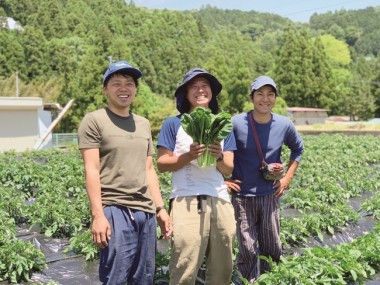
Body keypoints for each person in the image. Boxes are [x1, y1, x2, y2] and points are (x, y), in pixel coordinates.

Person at [77, 60, 172, 285]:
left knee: (144, 278)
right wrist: (98, 215)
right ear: (105, 90)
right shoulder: (94, 120)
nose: (124, 89)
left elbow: (149, 169)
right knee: (116, 277)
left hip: (145, 212)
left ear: (136, 90)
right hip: (115, 210)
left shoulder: (143, 124)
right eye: (116, 83)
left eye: (129, 84)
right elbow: (91, 169)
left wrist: (160, 208)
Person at [156, 68, 237, 285]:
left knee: (223, 266)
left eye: (205, 86)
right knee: (185, 262)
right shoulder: (173, 124)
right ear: (185, 93)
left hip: (219, 197)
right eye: (194, 86)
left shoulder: (222, 125)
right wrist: (188, 156)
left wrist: (218, 156)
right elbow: (162, 164)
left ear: (211, 92)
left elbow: (228, 168)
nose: (200, 90)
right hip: (186, 199)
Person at [227, 75, 304, 283]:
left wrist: (287, 177)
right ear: (252, 97)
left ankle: (271, 280)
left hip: (269, 195)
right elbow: (219, 155)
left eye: (270, 94)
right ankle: (249, 281)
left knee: (272, 246)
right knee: (248, 248)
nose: (265, 98)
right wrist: (223, 180)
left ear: (275, 98)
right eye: (260, 94)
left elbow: (298, 149)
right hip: (242, 197)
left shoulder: (284, 124)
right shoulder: (236, 123)